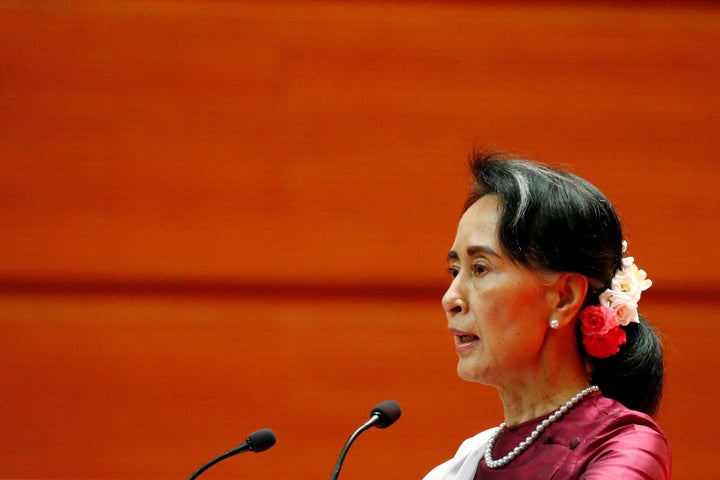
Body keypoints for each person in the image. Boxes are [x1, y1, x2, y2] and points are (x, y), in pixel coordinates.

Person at [423, 151, 671, 479]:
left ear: (563, 297)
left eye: (480, 268)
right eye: (455, 270)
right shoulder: (467, 460)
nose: (450, 298)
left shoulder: (623, 446)